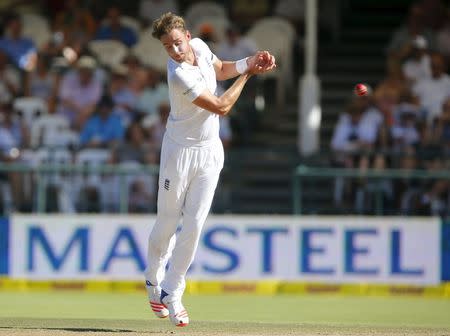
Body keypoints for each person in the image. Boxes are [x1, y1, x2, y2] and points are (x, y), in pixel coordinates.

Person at [144, 12, 275, 327]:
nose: (174, 50)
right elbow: (222, 106)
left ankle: (173, 292)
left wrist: (250, 61)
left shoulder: (201, 47)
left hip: (209, 152)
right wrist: (249, 76)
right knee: (168, 222)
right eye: (167, 47)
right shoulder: (178, 75)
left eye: (177, 42)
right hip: (178, 152)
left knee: (194, 225)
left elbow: (221, 69)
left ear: (187, 36)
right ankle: (152, 278)